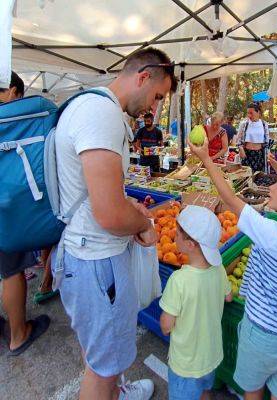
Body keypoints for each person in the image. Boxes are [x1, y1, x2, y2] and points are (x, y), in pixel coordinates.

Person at [53, 47, 177, 400]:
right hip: (97, 262)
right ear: (142, 77)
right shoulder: (101, 114)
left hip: (88, 255)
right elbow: (108, 214)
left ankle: (117, 390)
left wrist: (128, 205)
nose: (154, 109)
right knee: (101, 369)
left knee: (100, 353)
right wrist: (142, 223)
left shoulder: (91, 106)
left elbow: (100, 196)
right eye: (156, 97)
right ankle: (110, 389)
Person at [188, 136, 277, 400]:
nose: (273, 186)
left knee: (252, 393)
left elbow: (229, 198)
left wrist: (206, 159)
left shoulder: (272, 235)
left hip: (261, 335)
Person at [0, 71, 50, 355]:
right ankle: (19, 335)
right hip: (6, 207)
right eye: (16, 97)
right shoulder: (8, 121)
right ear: (12, 91)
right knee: (12, 271)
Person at [160, 205, 232, 400]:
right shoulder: (219, 269)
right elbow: (229, 297)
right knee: (204, 391)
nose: (174, 237)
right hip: (211, 355)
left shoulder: (179, 280)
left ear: (191, 244)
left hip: (186, 364)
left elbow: (166, 326)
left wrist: (165, 322)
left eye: (178, 234)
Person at [237, 103, 270, 173]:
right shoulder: (244, 124)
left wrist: (268, 154)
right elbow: (238, 139)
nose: (249, 115)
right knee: (246, 176)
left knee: (258, 176)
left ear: (258, 112)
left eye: (251, 113)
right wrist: (241, 149)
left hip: (259, 155)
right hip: (246, 154)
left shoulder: (264, 124)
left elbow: (267, 141)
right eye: (248, 113)